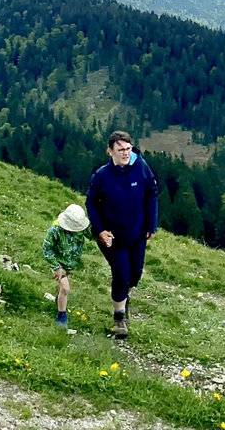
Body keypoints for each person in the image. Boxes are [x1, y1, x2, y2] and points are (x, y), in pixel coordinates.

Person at [85, 130, 160, 340]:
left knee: (134, 274)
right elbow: (91, 203)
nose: (125, 153)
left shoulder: (141, 167)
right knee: (121, 273)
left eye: (128, 149)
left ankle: (123, 299)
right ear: (110, 151)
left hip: (136, 232)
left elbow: (152, 192)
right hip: (112, 236)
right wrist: (99, 230)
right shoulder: (102, 176)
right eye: (121, 150)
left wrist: (151, 224)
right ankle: (119, 317)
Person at [41, 203, 92, 329]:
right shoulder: (55, 230)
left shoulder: (81, 227)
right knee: (65, 288)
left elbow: (93, 235)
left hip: (70, 262)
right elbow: (46, 249)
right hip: (58, 263)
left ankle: (58, 301)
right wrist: (56, 267)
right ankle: (61, 317)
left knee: (61, 289)